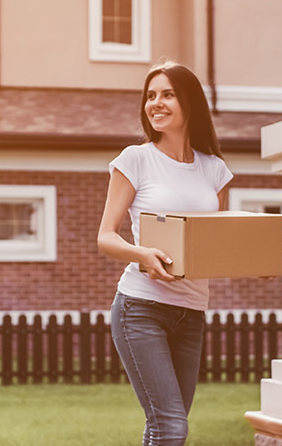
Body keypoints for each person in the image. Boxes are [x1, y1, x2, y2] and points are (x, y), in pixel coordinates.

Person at [96, 62, 232, 446]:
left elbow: (217, 242)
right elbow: (106, 236)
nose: (155, 103)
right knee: (171, 427)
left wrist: (252, 263)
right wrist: (142, 255)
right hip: (141, 307)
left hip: (191, 313)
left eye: (167, 94)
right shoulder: (135, 159)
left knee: (164, 427)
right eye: (150, 96)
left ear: (189, 102)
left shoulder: (215, 170)